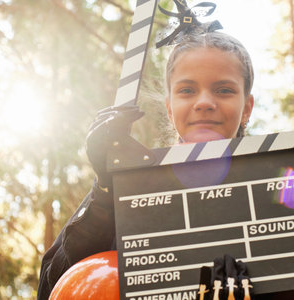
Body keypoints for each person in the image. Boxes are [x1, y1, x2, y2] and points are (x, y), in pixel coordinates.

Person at [37, 31, 254, 299]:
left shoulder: (274, 194)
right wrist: (105, 193)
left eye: (224, 90)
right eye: (187, 90)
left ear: (247, 108)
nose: (204, 103)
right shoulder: (123, 189)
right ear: (170, 108)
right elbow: (54, 289)